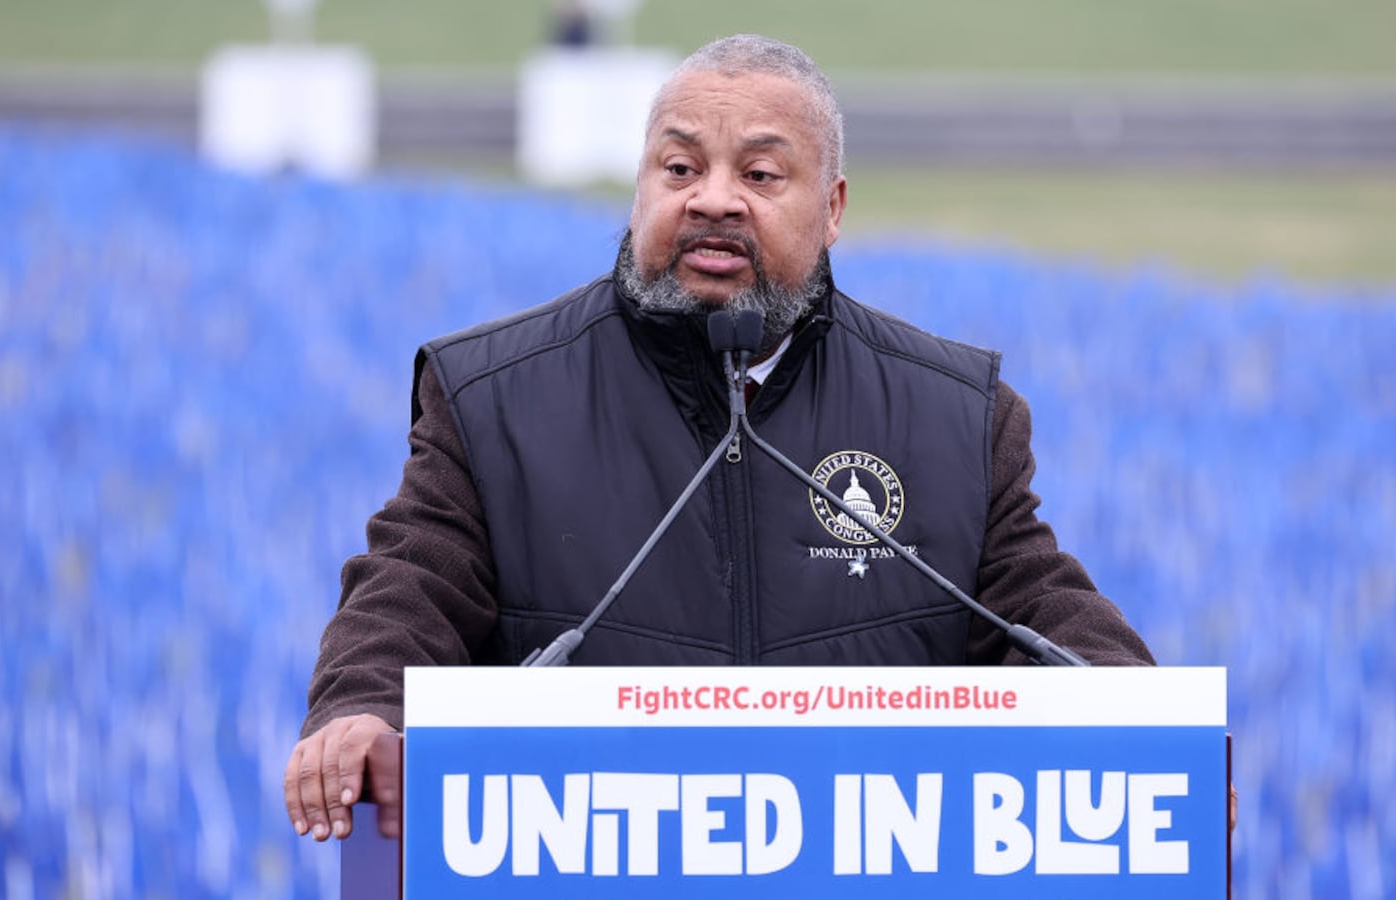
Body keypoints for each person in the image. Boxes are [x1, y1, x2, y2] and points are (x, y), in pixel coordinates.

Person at [282, 34, 1154, 843]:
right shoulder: (493, 400)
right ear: (642, 185)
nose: (713, 199)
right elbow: (410, 589)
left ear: (834, 206)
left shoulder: (955, 416)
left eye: (762, 175)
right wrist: (361, 707)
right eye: (679, 166)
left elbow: (1040, 612)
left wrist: (1156, 735)